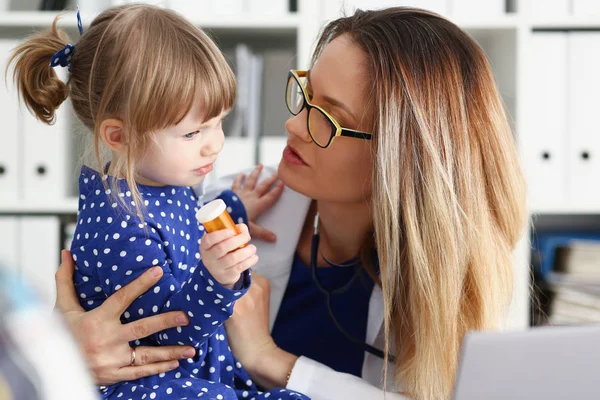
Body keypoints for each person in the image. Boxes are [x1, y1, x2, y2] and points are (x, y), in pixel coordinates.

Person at [54, 7, 527, 400]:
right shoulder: (226, 201)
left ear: (402, 159)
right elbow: (111, 295)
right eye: (306, 95)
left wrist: (269, 359)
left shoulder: (456, 275)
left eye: (328, 119)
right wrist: (74, 345)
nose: (294, 125)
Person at [9, 4, 306, 400]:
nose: (214, 143)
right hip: (151, 382)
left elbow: (187, 227)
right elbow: (168, 326)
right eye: (193, 133)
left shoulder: (162, 180)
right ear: (119, 137)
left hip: (192, 368)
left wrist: (232, 209)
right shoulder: (118, 224)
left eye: (219, 121)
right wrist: (218, 279)